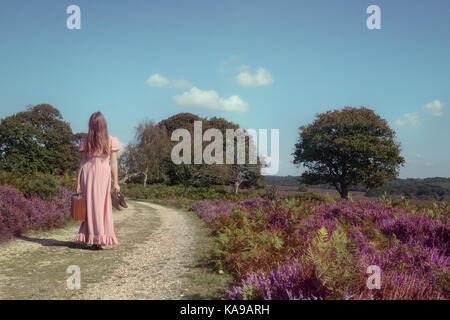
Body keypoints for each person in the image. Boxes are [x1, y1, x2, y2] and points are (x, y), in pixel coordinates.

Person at [74, 112, 121, 250]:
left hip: (101, 176)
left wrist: (116, 182)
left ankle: (98, 238)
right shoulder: (85, 140)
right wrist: (77, 183)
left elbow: (114, 163)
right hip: (88, 175)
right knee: (90, 207)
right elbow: (82, 162)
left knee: (100, 206)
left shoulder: (111, 140)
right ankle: (96, 239)